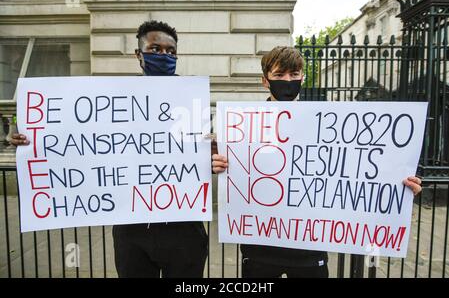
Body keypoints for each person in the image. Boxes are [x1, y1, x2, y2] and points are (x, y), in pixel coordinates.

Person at [11, 21, 208, 278]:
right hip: (131, 232)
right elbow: (77, 139)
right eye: (155, 49)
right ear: (138, 55)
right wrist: (34, 141)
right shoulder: (113, 100)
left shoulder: (192, 100)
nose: (164, 56)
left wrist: (212, 153)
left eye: (171, 52)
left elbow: (201, 156)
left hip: (184, 229)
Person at [211, 46, 423, 278]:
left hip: (309, 250)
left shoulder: (325, 123)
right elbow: (236, 172)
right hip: (260, 249)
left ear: (303, 77)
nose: (287, 80)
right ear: (265, 81)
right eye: (279, 75)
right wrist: (221, 164)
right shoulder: (242, 127)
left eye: (294, 74)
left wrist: (397, 183)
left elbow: (357, 168)